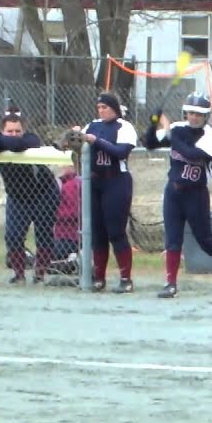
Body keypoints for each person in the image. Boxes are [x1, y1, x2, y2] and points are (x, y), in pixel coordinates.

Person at [142, 92, 212, 298]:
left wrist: (170, 134)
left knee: (205, 241)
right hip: (173, 192)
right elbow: (149, 143)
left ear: (205, 116)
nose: (194, 117)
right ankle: (170, 283)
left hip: (195, 195)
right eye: (190, 113)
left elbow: (193, 155)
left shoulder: (210, 134)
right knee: (173, 240)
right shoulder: (178, 128)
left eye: (199, 114)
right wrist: (154, 122)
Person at [0, 108, 59, 284]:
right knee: (13, 236)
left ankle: (39, 275)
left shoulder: (31, 139)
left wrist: (1, 141)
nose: (13, 135)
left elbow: (19, 146)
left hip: (44, 193)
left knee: (43, 234)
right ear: (1, 131)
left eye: (17, 131)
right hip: (17, 196)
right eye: (9, 131)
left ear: (24, 131)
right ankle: (19, 275)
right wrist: (3, 140)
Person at [77, 91, 137, 293]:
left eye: (106, 107)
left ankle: (125, 278)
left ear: (115, 109)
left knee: (116, 231)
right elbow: (80, 145)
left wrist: (96, 141)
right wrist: (75, 136)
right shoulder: (92, 125)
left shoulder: (124, 126)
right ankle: (99, 277)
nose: (102, 111)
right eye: (100, 107)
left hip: (116, 182)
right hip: (95, 183)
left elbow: (121, 152)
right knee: (97, 232)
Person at [52, 166, 81, 263]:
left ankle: (71, 259)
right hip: (69, 235)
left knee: (50, 254)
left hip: (67, 236)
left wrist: (53, 214)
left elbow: (73, 211)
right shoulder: (72, 183)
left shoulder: (70, 185)